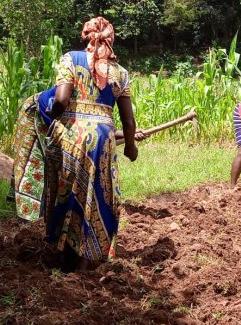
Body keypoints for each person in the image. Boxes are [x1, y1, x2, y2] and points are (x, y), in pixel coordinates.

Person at [43, 16, 138, 269]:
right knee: (99, 194)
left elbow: (61, 100)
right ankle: (88, 257)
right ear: (111, 40)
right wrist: (130, 147)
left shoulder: (70, 60)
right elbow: (128, 122)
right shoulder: (121, 73)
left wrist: (49, 118)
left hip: (72, 136)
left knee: (67, 190)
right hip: (104, 141)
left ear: (85, 37)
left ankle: (61, 252)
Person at [12, 87, 149, 221]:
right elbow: (61, 110)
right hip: (38, 114)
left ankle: (53, 214)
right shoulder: (73, 86)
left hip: (65, 124)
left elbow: (101, 125)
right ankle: (27, 219)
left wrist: (130, 135)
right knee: (33, 166)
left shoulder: (105, 90)